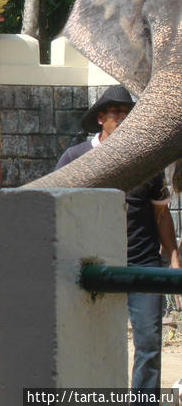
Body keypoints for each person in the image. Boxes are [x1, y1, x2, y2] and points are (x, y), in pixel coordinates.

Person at [55, 85, 180, 390]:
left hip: (142, 262)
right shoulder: (76, 158)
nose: (122, 118)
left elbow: (161, 216)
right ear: (101, 119)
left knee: (149, 342)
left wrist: (173, 258)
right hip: (92, 265)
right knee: (91, 341)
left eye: (127, 113)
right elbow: (54, 206)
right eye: (116, 113)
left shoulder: (146, 163)